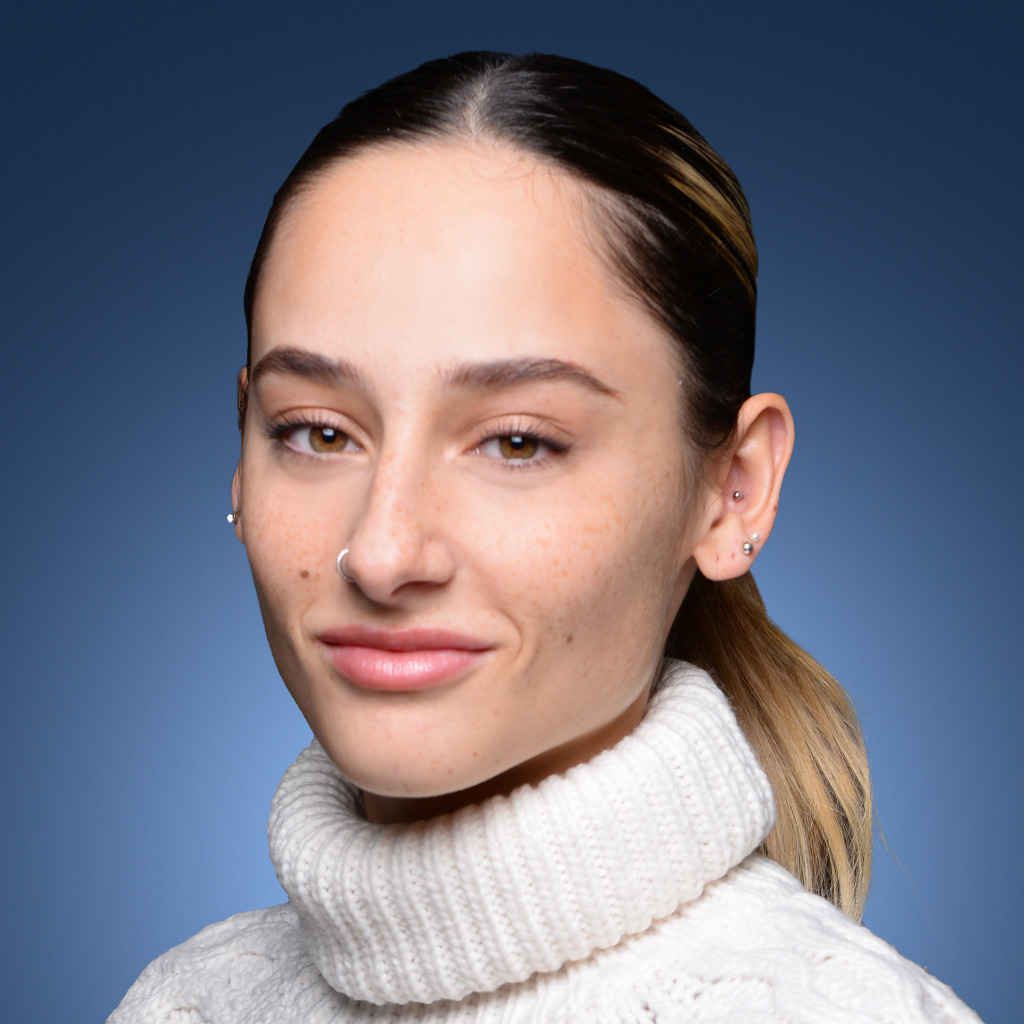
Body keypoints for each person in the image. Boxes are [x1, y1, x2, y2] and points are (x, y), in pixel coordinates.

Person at [109, 52, 982, 1022]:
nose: (384, 553)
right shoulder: (181, 1002)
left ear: (733, 490)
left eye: (518, 441)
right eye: (317, 432)